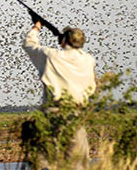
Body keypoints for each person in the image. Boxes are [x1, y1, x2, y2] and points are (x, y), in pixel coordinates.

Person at [22, 18, 96, 170]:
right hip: (76, 116)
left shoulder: (52, 56)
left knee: (44, 163)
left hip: (52, 115)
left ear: (63, 41)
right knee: (78, 164)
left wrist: (37, 27)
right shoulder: (89, 60)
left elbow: (29, 45)